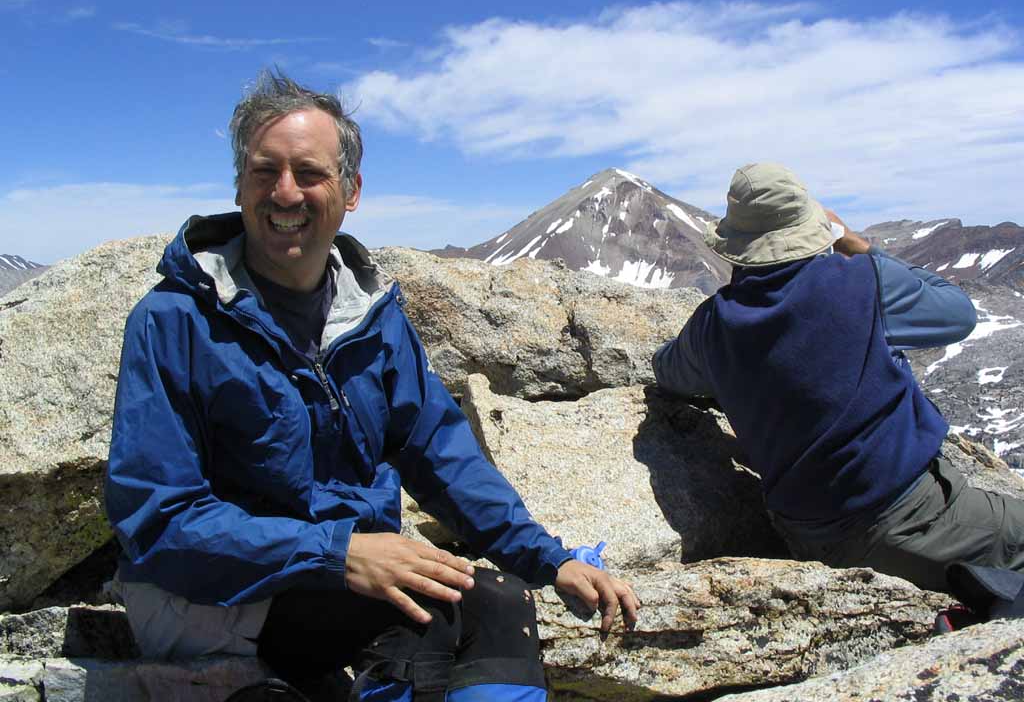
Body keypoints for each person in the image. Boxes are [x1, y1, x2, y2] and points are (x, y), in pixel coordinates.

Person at [105, 70, 639, 702]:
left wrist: (549, 559)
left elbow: (440, 455)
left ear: (351, 190)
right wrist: (337, 552)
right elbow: (160, 518)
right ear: (240, 184)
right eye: (264, 171)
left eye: (309, 173)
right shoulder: (177, 320)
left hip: (332, 572)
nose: (284, 192)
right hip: (205, 588)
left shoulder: (371, 319)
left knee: (499, 602)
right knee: (425, 615)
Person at [653, 162, 1024, 594]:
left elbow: (668, 372)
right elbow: (958, 313)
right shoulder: (862, 283)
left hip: (804, 533)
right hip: (909, 518)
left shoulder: (712, 325)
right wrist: (859, 246)